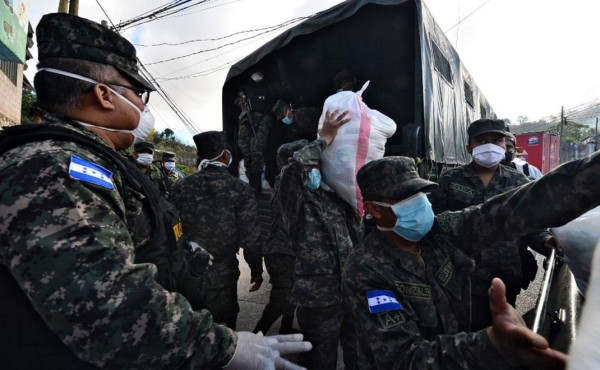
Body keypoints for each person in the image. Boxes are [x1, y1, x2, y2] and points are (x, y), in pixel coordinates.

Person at [0, 13, 310, 370]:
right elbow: (109, 309)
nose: (144, 105)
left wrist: (185, 250)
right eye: (138, 92)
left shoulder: (97, 163)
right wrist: (225, 347)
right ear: (103, 94)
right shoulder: (56, 169)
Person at [343, 151, 600, 369]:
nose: (420, 204)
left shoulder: (441, 232)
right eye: (406, 199)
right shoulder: (365, 268)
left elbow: (509, 211)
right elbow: (402, 357)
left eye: (420, 194)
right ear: (374, 209)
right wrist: (490, 345)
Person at [428, 118, 551, 330]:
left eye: (497, 140)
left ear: (505, 146)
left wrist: (548, 241)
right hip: (460, 276)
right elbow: (433, 224)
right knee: (459, 333)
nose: (490, 146)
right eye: (482, 141)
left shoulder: (519, 183)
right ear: (468, 148)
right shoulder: (449, 181)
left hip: (504, 274)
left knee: (501, 331)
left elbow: (532, 225)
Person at [278, 110, 362, 370]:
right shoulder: (291, 195)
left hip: (349, 291)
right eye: (312, 161)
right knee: (321, 361)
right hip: (318, 298)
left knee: (358, 355)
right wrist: (324, 138)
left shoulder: (334, 196)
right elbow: (296, 168)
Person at [170, 131, 265, 329]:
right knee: (222, 333)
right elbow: (251, 238)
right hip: (222, 278)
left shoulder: (180, 186)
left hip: (186, 276)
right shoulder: (240, 190)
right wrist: (256, 270)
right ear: (225, 155)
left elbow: (171, 230)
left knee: (188, 331)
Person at [252, 140, 308, 335]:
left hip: (286, 250)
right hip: (281, 251)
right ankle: (257, 334)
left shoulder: (287, 181)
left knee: (292, 292)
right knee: (280, 298)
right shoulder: (288, 181)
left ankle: (285, 327)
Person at [264, 99, 320, 186]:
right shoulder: (294, 122)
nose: (283, 119)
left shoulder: (301, 115)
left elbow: (314, 133)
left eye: (283, 116)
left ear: (288, 109)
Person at [235, 70, 274, 194]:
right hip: (246, 119)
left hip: (263, 120)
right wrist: (242, 104)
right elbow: (237, 103)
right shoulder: (244, 87)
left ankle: (256, 181)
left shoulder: (269, 87)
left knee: (257, 150)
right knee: (245, 149)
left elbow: (273, 104)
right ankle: (250, 179)